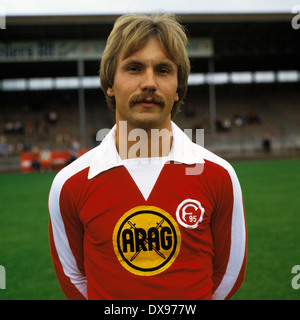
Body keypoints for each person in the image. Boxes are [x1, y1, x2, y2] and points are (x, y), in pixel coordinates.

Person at [48, 13, 247, 300]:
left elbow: (229, 273)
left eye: (163, 70)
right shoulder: (69, 184)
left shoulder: (219, 175)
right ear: (110, 84)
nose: (150, 83)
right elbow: (73, 277)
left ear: (178, 88)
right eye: (134, 68)